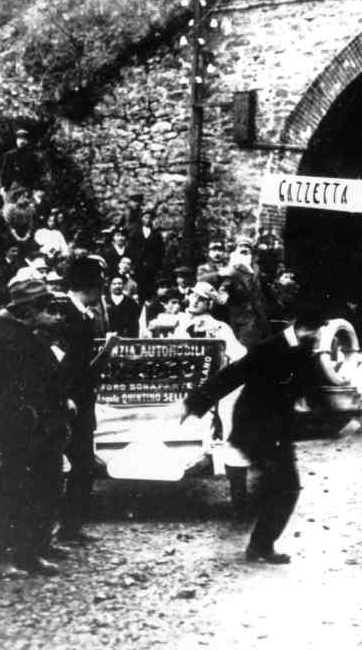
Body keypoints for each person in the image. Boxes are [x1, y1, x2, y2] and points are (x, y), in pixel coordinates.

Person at [180, 305, 326, 564]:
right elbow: (233, 374)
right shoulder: (269, 347)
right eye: (314, 330)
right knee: (286, 485)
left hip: (277, 429)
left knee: (280, 485)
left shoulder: (304, 350)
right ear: (299, 327)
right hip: (253, 427)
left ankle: (257, 534)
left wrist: (330, 412)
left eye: (318, 331)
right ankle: (259, 542)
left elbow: (311, 388)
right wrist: (195, 403)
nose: (317, 336)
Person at [0, 276, 70, 577]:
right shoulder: (2, 336)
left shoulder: (24, 332)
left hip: (34, 425)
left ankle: (29, 552)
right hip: (11, 427)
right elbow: (0, 388)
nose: (50, 314)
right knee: (6, 491)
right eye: (44, 307)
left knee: (35, 489)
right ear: (28, 309)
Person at [58, 256, 119, 545]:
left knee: (81, 465)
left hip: (80, 400)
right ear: (90, 285)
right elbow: (66, 365)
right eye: (100, 283)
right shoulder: (67, 316)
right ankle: (68, 528)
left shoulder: (82, 315)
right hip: (70, 403)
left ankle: (72, 526)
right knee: (78, 464)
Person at [223, 235, 271, 347]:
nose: (244, 249)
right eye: (241, 246)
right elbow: (223, 287)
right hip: (237, 316)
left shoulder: (256, 269)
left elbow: (265, 291)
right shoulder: (230, 269)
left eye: (247, 247)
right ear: (236, 250)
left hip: (257, 315)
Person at [127, 208, 164, 302]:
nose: (148, 220)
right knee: (139, 288)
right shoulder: (135, 232)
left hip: (151, 267)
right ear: (142, 218)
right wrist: (134, 262)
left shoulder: (156, 234)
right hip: (138, 266)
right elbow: (130, 249)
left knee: (150, 288)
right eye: (146, 217)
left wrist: (157, 264)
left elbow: (160, 251)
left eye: (150, 218)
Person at [0, 128, 44, 202]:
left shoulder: (33, 156)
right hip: (12, 187)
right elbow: (4, 172)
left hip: (28, 187)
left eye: (24, 139)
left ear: (27, 141)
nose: (22, 141)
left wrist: (35, 188)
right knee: (10, 205)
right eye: (20, 139)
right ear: (16, 140)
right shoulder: (9, 155)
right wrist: (3, 187)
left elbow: (38, 173)